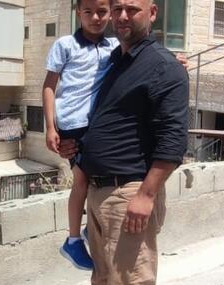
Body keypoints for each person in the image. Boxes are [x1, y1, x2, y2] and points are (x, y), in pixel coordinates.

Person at [59, 0, 189, 283]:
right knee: (104, 279)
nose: (122, 16)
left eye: (132, 9)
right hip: (97, 193)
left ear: (152, 13)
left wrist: (145, 196)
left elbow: (174, 139)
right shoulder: (114, 61)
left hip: (129, 194)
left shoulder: (163, 66)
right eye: (117, 9)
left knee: (130, 280)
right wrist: (72, 144)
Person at [42, 0, 117, 271]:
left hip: (96, 124)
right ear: (78, 13)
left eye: (102, 12)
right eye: (88, 12)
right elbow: (49, 86)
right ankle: (73, 240)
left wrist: (171, 59)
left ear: (110, 13)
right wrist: (51, 127)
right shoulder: (65, 45)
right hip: (72, 123)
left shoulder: (114, 48)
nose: (95, 17)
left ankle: (86, 230)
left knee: (99, 174)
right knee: (82, 181)